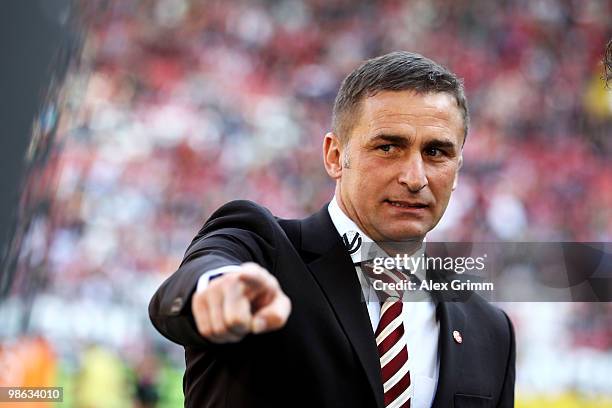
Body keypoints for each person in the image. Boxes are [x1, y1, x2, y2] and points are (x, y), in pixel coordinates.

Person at [149, 51, 515, 408]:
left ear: (457, 169)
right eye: (388, 147)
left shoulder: (490, 330)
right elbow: (196, 280)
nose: (415, 178)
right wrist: (215, 291)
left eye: (436, 153)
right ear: (335, 156)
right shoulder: (265, 249)